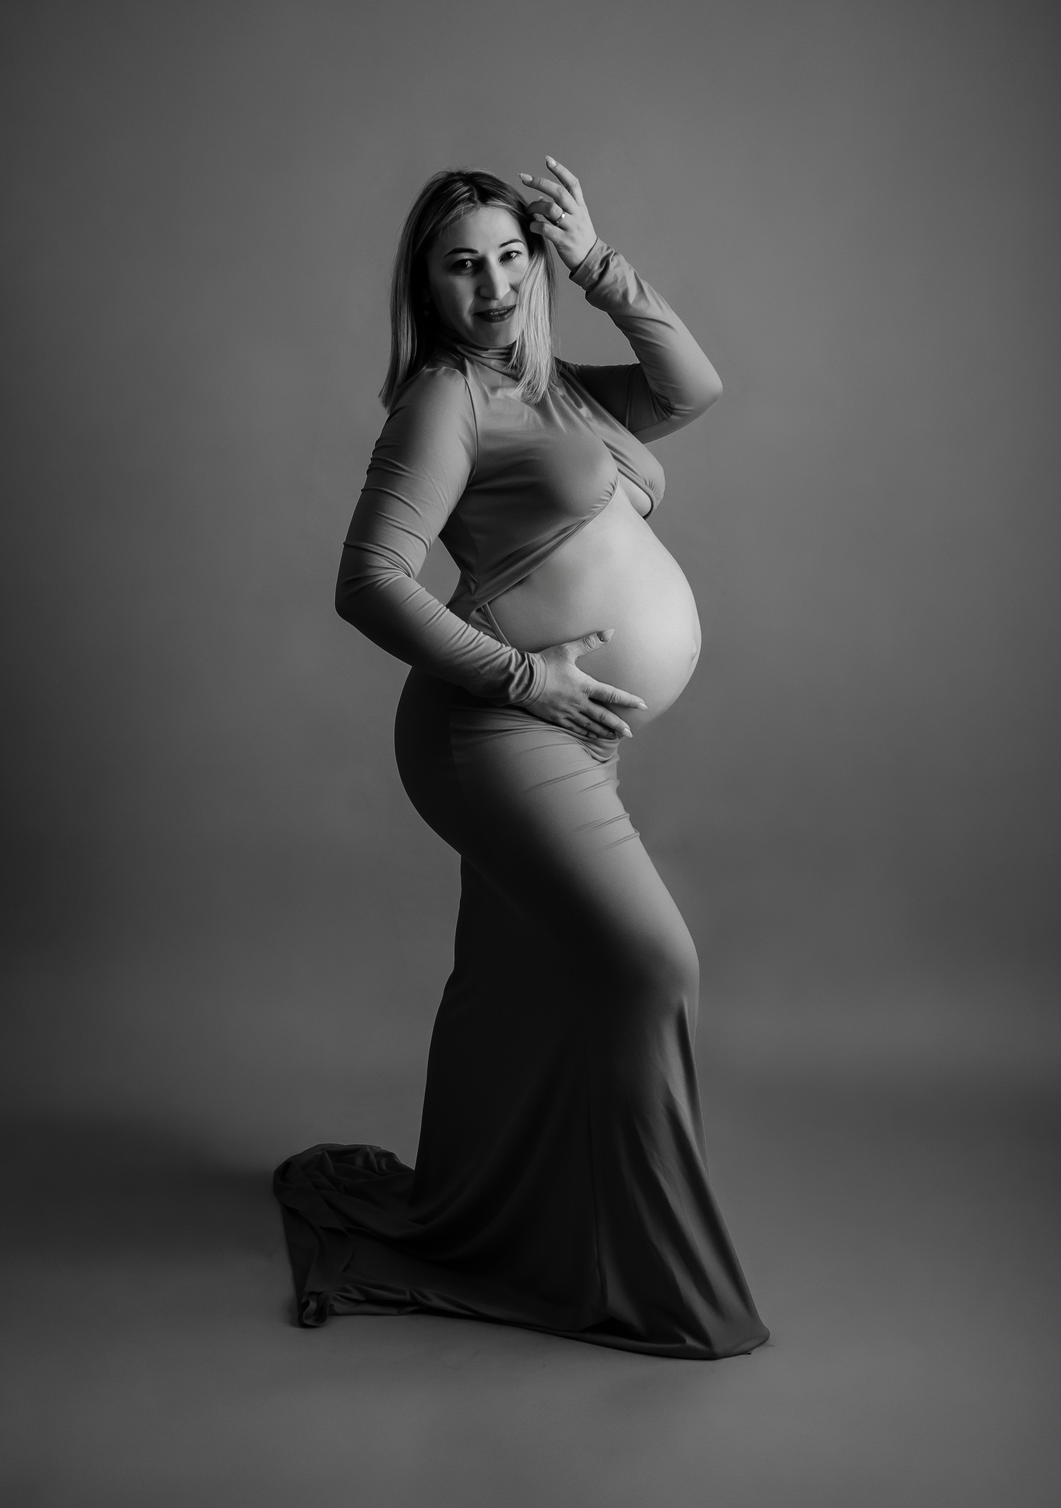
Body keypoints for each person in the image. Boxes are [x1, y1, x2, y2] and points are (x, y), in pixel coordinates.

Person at [273, 159, 769, 1359]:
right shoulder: (445, 400)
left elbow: (693, 387)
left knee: (515, 983)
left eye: (510, 258)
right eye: (463, 266)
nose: (493, 287)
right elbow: (368, 580)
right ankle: (655, 1283)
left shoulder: (561, 389)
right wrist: (523, 677)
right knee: (652, 963)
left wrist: (597, 260)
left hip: (568, 740)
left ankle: (491, 1222)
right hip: (494, 732)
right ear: (427, 287)